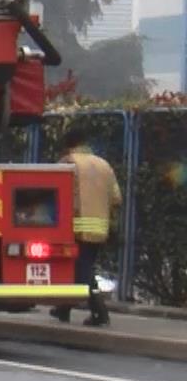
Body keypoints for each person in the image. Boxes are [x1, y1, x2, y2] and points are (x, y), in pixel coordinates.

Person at [55, 128, 121, 328]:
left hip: (74, 226)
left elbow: (54, 194)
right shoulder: (103, 164)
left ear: (68, 145)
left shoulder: (67, 163)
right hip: (100, 227)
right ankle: (63, 309)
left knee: (81, 270)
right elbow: (117, 198)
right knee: (81, 267)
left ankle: (99, 313)